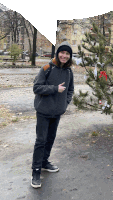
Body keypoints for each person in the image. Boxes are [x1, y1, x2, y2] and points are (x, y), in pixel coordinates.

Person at [31, 41, 74, 188]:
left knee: (50, 139)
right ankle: (36, 171)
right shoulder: (47, 68)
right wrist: (55, 89)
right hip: (43, 111)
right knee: (41, 141)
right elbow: (36, 88)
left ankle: (44, 162)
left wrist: (64, 103)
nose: (64, 55)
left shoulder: (69, 72)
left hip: (57, 113)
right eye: (62, 52)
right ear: (57, 53)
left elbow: (70, 90)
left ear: (70, 56)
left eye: (67, 53)